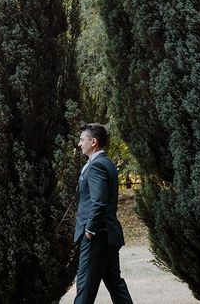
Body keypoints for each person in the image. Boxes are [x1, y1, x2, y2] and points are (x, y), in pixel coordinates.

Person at [74, 123, 134, 304]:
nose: (79, 144)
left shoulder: (97, 166)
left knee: (85, 286)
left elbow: (98, 201)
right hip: (108, 235)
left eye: (82, 139)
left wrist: (89, 230)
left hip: (97, 236)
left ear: (93, 141)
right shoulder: (106, 163)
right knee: (115, 284)